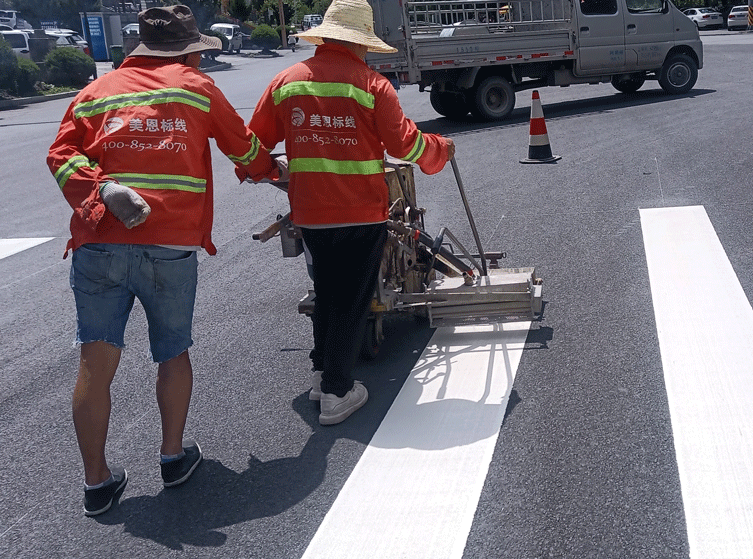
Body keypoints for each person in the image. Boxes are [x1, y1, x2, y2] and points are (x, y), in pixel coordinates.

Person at [47, 5, 274, 516]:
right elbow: (243, 148)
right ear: (191, 50)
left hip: (99, 239)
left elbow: (60, 157)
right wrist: (270, 170)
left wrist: (99, 187)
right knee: (171, 351)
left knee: (95, 359)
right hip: (170, 242)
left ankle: (97, 483)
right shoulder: (196, 87)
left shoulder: (95, 92)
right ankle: (173, 457)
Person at [246, 0, 456, 426]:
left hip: (311, 216)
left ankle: (323, 375)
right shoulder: (371, 85)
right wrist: (439, 150)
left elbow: (251, 144)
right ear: (361, 43)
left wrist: (266, 170)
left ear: (324, 37)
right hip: (361, 215)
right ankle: (338, 392)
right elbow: (404, 146)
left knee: (326, 289)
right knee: (352, 299)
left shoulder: (287, 82)